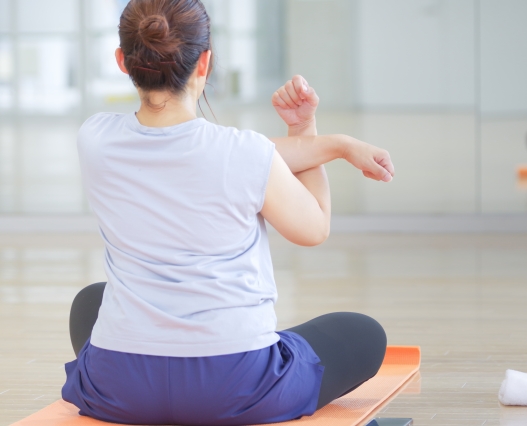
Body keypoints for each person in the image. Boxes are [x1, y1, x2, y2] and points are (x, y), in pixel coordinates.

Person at [60, 1, 395, 425]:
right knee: (363, 333)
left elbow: (226, 155)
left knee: (91, 302)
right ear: (205, 62)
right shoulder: (246, 153)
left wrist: (337, 143)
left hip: (121, 386)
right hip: (237, 387)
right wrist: (312, 133)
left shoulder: (94, 138)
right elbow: (313, 228)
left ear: (122, 61)